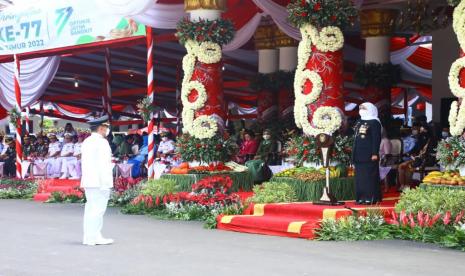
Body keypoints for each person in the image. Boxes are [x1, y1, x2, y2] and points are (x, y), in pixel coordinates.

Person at [81, 116, 114, 246]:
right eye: (106, 128)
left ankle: (90, 236)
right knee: (98, 210)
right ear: (101, 128)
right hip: (99, 181)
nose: (107, 130)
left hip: (90, 180)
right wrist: (106, 183)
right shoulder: (102, 142)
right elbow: (104, 164)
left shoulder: (87, 141)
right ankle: (93, 238)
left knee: (91, 210)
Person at [352, 102, 382, 205]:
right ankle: (361, 197)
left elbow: (376, 139)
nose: (361, 110)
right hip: (359, 153)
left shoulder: (375, 122)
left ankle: (371, 197)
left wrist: (375, 153)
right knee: (360, 177)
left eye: (363, 108)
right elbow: (356, 138)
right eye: (360, 108)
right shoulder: (359, 121)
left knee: (369, 176)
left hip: (369, 154)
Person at [397, 123, 437, 190]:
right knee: (401, 166)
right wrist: (410, 154)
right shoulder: (420, 139)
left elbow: (431, 153)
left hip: (427, 160)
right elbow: (415, 149)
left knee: (408, 167)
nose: (421, 132)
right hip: (418, 159)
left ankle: (407, 185)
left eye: (423, 130)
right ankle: (402, 185)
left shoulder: (432, 140)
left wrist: (418, 156)